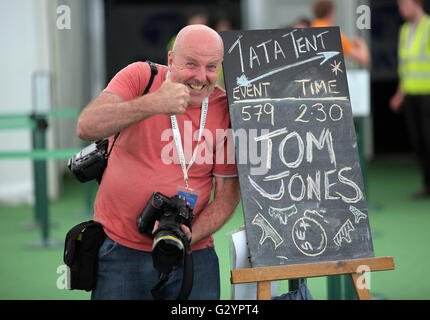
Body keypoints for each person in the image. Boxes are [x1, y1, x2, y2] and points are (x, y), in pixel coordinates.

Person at [77, 24, 241, 299]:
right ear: (170, 60)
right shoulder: (142, 77)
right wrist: (154, 103)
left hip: (193, 254)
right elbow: (87, 126)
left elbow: (226, 196)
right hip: (121, 251)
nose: (201, 77)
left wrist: (186, 235)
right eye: (191, 64)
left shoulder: (225, 108)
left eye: (212, 66)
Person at [390, 0, 430, 199]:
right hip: (411, 94)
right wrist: (400, 93)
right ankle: (427, 185)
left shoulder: (429, 26)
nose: (401, 10)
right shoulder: (404, 30)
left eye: (404, 5)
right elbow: (404, 65)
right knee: (419, 141)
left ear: (417, 4)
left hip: (428, 94)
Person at [311, 0, 370, 67]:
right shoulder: (332, 33)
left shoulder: (309, 29)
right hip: (330, 75)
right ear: (329, 13)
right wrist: (361, 43)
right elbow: (363, 58)